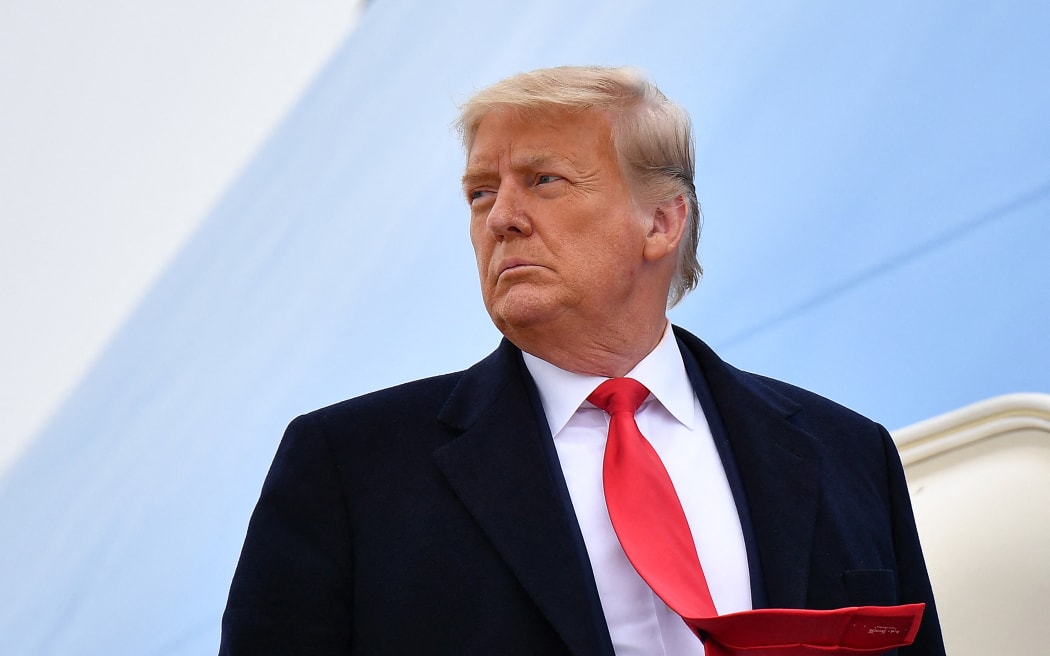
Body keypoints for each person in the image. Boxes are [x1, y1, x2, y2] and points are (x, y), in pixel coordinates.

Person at [219, 66, 945, 655]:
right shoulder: (349, 468)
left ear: (662, 222)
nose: (500, 217)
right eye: (480, 192)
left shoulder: (848, 453)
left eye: (544, 180)